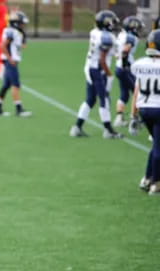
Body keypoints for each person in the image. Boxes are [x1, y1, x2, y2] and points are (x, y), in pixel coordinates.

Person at [70, 10, 122, 139]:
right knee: (104, 98)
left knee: (91, 99)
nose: (113, 24)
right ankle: (108, 130)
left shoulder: (95, 32)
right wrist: (109, 74)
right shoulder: (106, 37)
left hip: (90, 67)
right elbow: (102, 60)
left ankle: (77, 127)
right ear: (106, 23)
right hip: (98, 70)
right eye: (111, 22)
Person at [130, 29, 160, 195]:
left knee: (157, 144)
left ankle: (147, 178)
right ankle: (156, 182)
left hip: (144, 109)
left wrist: (133, 114)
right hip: (159, 109)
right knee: (159, 148)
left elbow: (137, 91)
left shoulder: (140, 64)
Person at [0, 10, 32, 117]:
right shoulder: (12, 32)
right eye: (22, 23)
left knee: (6, 85)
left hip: (10, 61)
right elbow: (3, 46)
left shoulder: (15, 32)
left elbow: (22, 46)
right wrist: (10, 59)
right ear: (16, 23)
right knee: (16, 85)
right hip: (10, 62)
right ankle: (19, 109)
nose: (23, 25)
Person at [113, 16, 144, 127]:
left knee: (124, 94)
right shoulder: (130, 37)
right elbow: (126, 50)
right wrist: (126, 64)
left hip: (119, 68)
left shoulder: (122, 35)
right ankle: (134, 118)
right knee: (138, 93)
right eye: (138, 27)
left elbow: (118, 53)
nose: (139, 30)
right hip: (126, 69)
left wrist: (121, 59)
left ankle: (119, 118)